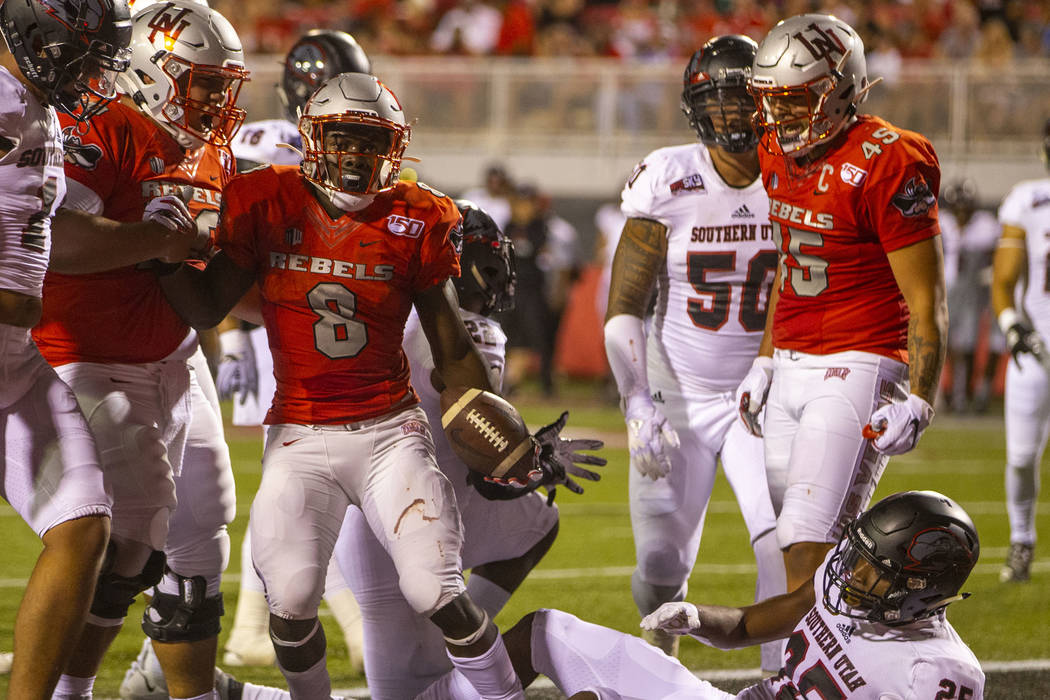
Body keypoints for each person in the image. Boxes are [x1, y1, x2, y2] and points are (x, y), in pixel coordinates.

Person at [155, 71, 555, 699]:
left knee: (435, 588)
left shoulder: (416, 217)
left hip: (389, 431)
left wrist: (502, 442)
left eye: (371, 142)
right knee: (288, 601)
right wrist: (163, 253)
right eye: (343, 138)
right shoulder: (267, 200)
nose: (356, 155)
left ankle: (502, 696)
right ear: (313, 139)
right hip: (299, 433)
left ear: (392, 149)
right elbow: (207, 307)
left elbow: (452, 352)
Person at [34, 2, 249, 698]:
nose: (218, 99)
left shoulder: (213, 150)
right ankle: (72, 689)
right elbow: (56, 243)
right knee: (124, 543)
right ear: (152, 71)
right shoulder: (97, 126)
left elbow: (221, 278)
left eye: (224, 83)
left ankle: (162, 681)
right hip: (85, 354)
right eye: (203, 81)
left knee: (174, 533)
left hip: (176, 356)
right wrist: (155, 241)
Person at [334, 200, 602, 699]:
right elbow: (488, 471)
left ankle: (445, 642)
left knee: (537, 522)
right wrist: (534, 462)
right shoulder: (474, 332)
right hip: (411, 524)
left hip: (358, 514)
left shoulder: (381, 308)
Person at [738, 13, 948, 595]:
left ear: (840, 88)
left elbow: (926, 296)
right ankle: (811, 675)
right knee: (797, 552)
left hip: (859, 359)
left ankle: (823, 681)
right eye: (772, 101)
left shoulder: (891, 158)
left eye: (795, 100)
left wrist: (922, 398)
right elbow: (790, 259)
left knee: (810, 549)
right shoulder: (775, 151)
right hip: (791, 363)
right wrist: (764, 357)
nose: (779, 116)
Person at [421, 490, 985, 700]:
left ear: (921, 588)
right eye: (855, 559)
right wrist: (694, 616)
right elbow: (745, 626)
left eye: (871, 572)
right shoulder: (851, 593)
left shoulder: (935, 673)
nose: (851, 578)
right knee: (545, 633)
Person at [602, 35, 785, 666]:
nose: (731, 115)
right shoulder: (669, 176)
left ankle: (780, 679)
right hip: (674, 395)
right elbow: (624, 304)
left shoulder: (795, 174)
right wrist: (635, 404)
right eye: (718, 101)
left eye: (742, 100)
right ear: (695, 107)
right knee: (659, 564)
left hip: (763, 394)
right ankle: (662, 647)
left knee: (783, 550)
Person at [217, 27, 373, 672]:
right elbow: (229, 242)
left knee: (297, 484)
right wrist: (231, 334)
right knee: (313, 482)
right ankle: (358, 625)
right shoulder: (279, 146)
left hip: (284, 321)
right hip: (286, 323)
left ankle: (253, 628)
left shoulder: (261, 139)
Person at [0, 0, 131, 696]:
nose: (89, 74)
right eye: (82, 55)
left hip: (13, 366)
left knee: (81, 526)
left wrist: (162, 239)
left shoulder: (32, 107)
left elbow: (55, 239)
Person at [989, 117, 1050, 583]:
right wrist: (1012, 326)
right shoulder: (1030, 199)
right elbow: (1005, 280)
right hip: (1038, 350)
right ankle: (1022, 540)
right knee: (1021, 457)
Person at [940, 180, 1002, 414]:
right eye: (958, 208)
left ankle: (964, 394)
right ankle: (948, 392)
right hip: (943, 289)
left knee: (967, 345)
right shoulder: (941, 222)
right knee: (944, 344)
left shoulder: (985, 226)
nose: (961, 213)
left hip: (971, 290)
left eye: (965, 208)